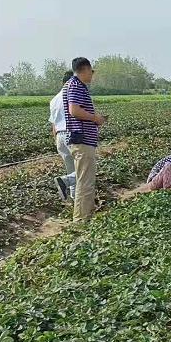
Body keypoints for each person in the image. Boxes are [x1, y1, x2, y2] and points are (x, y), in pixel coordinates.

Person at [63, 56, 106, 222]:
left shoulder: (76, 85)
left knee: (85, 179)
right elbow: (74, 110)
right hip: (82, 139)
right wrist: (95, 118)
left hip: (82, 138)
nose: (92, 75)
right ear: (85, 69)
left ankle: (85, 216)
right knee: (85, 181)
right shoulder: (75, 86)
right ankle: (82, 220)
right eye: (92, 71)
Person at [51, 70, 76, 201]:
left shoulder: (54, 99)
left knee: (71, 169)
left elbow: (53, 124)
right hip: (71, 134)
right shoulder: (73, 95)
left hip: (59, 136)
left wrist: (56, 138)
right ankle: (64, 181)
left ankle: (73, 199)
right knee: (86, 169)